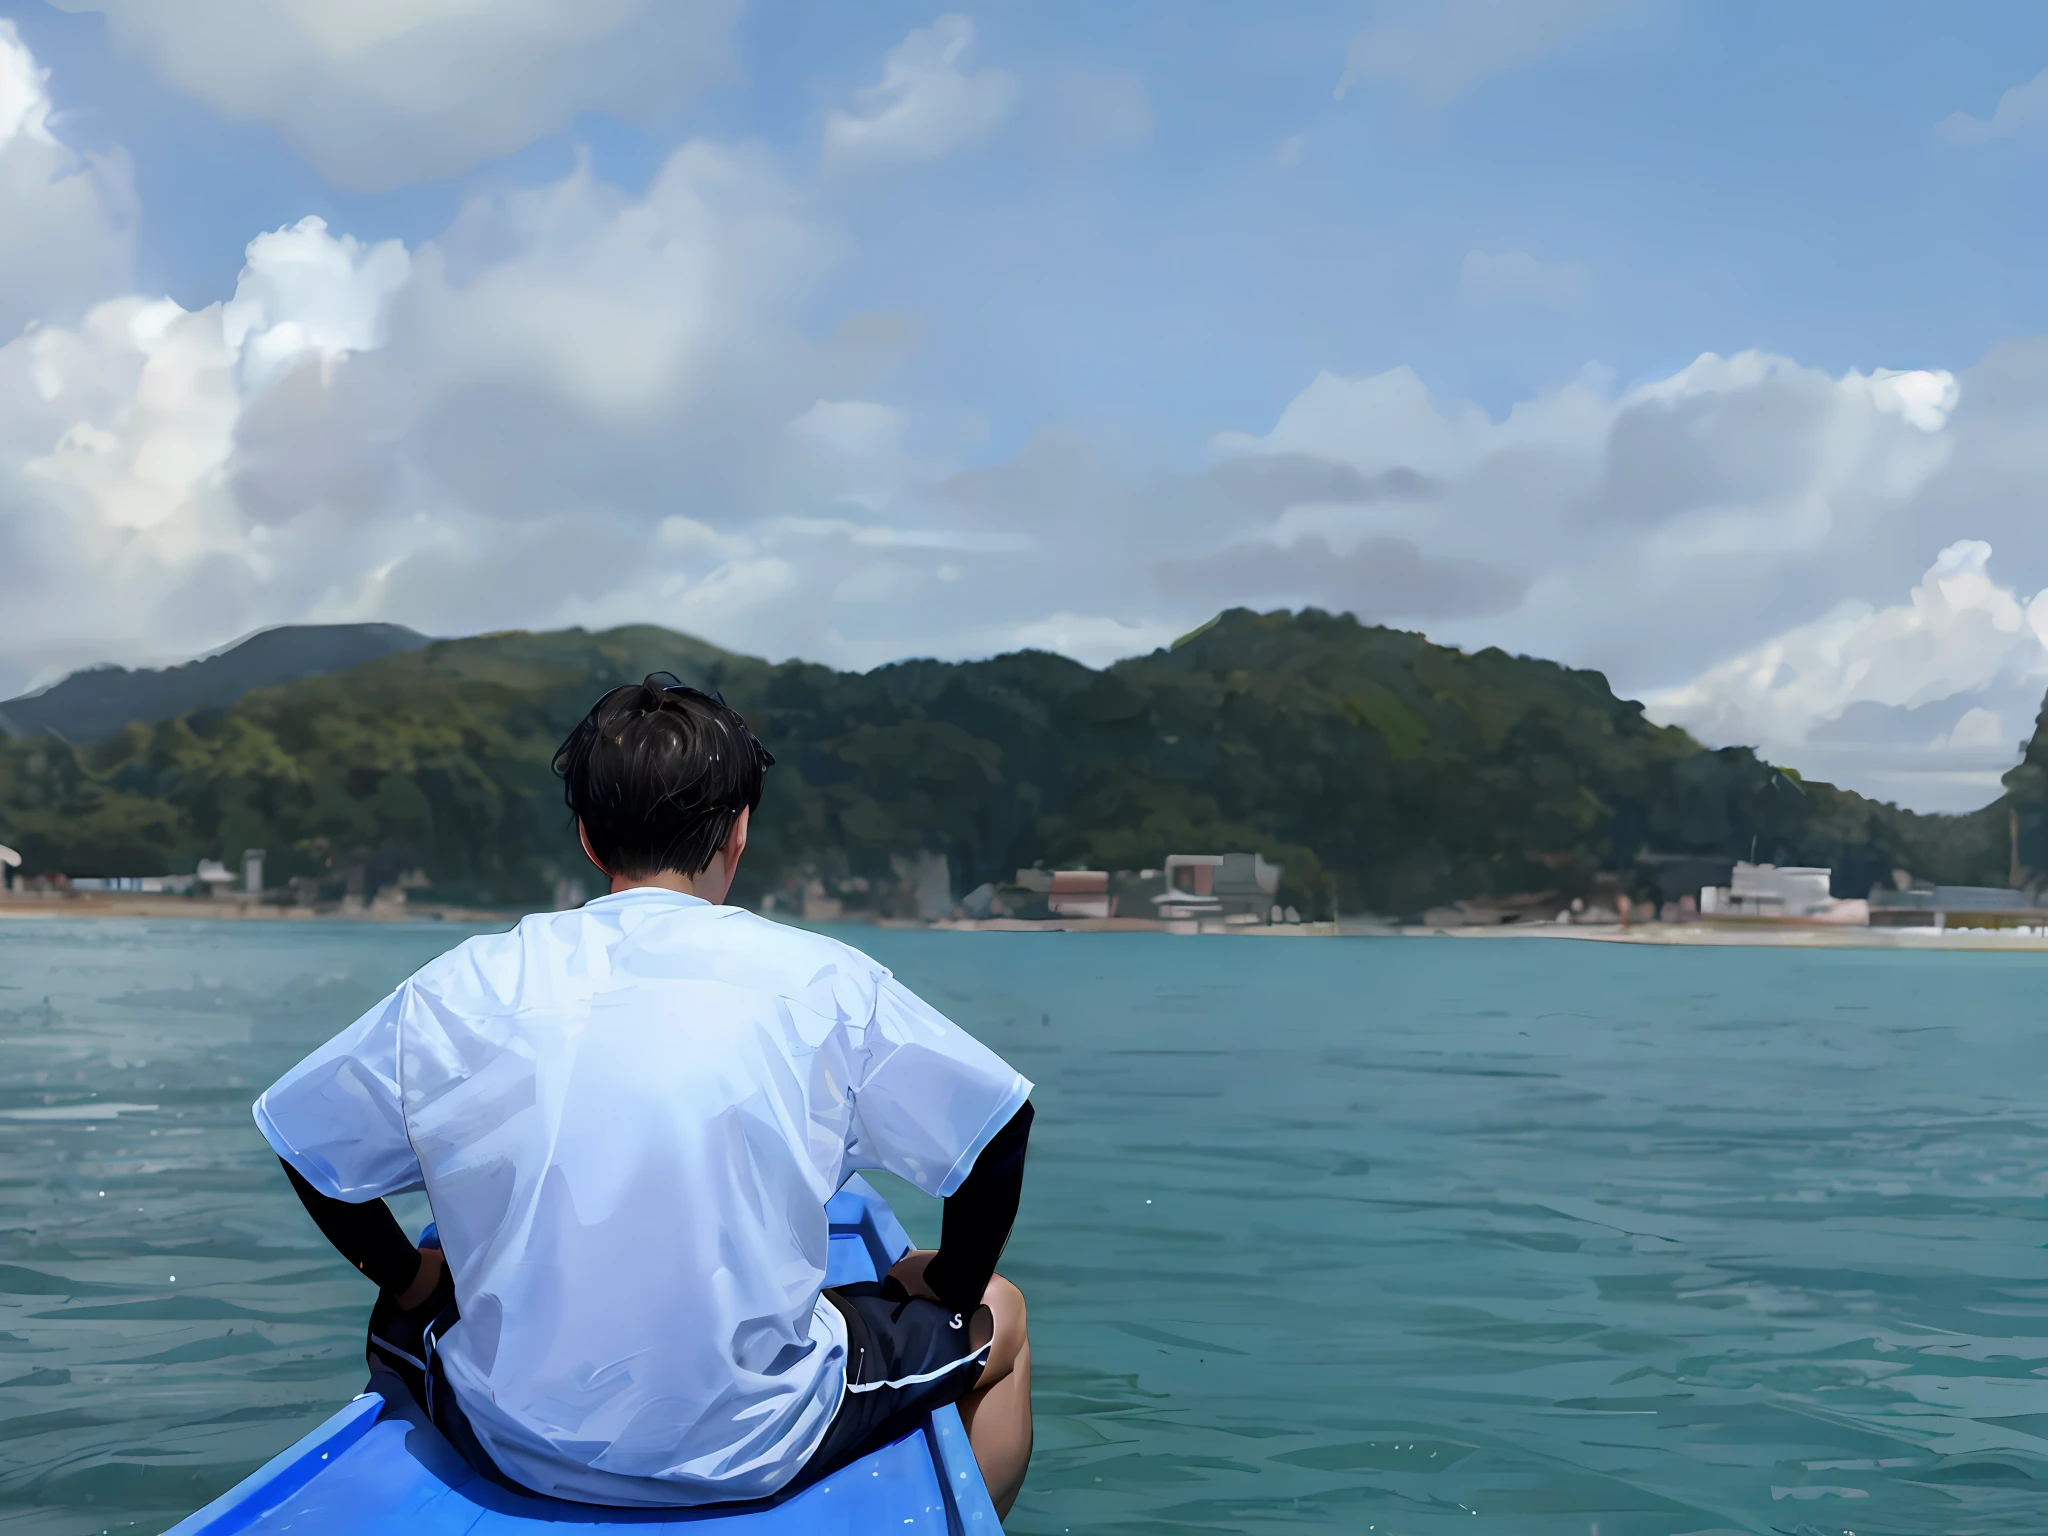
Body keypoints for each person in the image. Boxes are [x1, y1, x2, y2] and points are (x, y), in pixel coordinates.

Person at [254, 675, 1035, 1513]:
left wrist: (410, 1279)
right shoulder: (825, 980)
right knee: (1004, 1310)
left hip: (510, 1443)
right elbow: (997, 1129)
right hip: (759, 1442)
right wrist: (950, 1282)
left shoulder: (462, 983)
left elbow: (307, 1143)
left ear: (588, 838)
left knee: (407, 1303)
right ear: (739, 832)